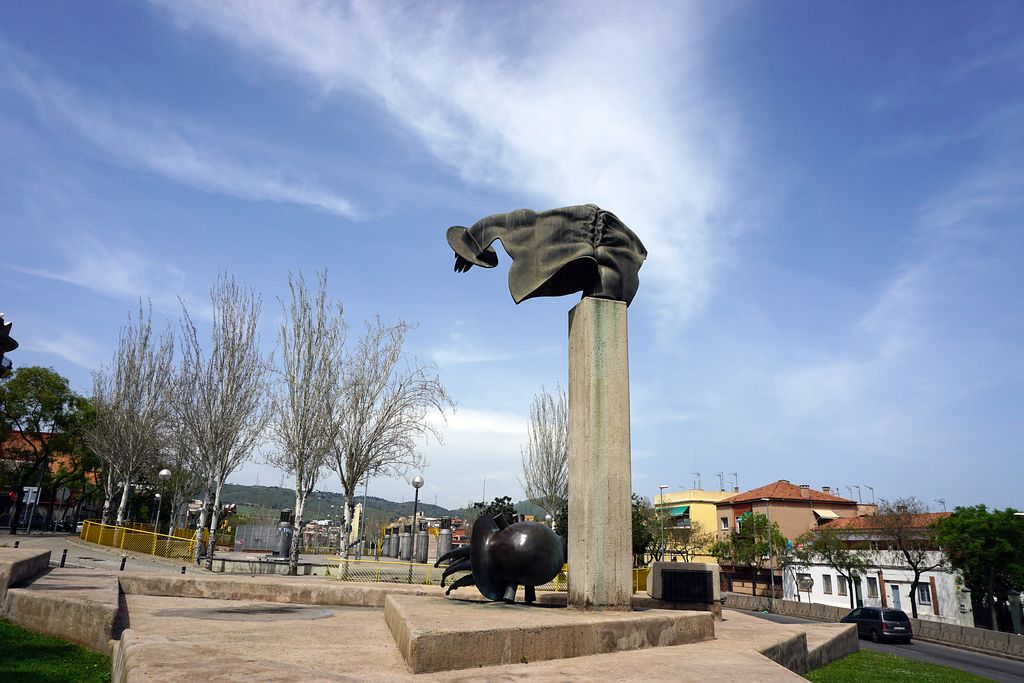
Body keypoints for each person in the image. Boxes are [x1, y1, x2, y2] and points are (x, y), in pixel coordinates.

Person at [447, 204, 647, 305]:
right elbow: (505, 223)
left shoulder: (548, 224)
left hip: (612, 271)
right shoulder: (614, 246)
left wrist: (472, 242)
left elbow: (506, 222)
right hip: (616, 273)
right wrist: (472, 242)